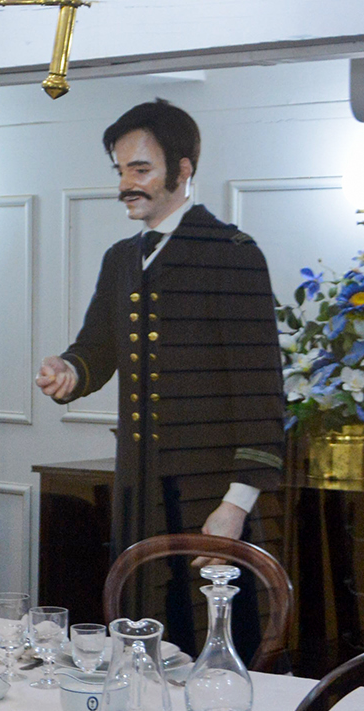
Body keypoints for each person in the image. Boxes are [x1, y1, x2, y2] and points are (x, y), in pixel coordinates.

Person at [35, 99, 285, 660]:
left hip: (208, 494)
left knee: (217, 648)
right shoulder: (121, 258)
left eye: (140, 169)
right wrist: (69, 370)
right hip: (139, 489)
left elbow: (261, 392)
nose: (127, 183)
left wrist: (236, 505)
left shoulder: (233, 256)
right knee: (142, 647)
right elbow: (98, 348)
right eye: (120, 171)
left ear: (184, 168)